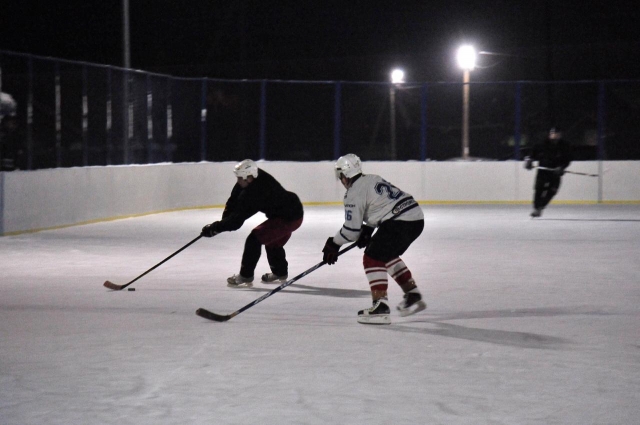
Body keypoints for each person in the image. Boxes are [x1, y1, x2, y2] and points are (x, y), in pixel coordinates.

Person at [322, 154, 426, 325]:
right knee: (384, 253)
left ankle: (380, 307)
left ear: (345, 174)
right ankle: (412, 293)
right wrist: (369, 228)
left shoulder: (353, 193)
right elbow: (382, 205)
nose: (340, 179)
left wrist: (333, 243)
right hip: (415, 218)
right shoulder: (371, 179)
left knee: (372, 257)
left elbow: (351, 231)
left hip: (399, 222)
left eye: (340, 174)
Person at [201, 159, 304, 288]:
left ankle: (245, 276)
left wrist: (215, 228)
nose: (238, 181)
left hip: (290, 217)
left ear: (249, 178)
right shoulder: (251, 177)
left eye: (240, 178)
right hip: (287, 211)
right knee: (272, 241)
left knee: (254, 238)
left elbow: (236, 221)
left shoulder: (256, 192)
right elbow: (233, 201)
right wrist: (222, 222)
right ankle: (280, 272)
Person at [524, 127, 572, 218]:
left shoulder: (565, 146)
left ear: (560, 135)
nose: (554, 135)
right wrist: (529, 160)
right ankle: (536, 208)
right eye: (552, 133)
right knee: (539, 190)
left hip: (555, 173)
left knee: (552, 191)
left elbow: (568, 160)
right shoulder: (542, 144)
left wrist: (562, 167)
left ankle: (541, 207)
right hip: (543, 171)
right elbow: (532, 154)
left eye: (556, 134)